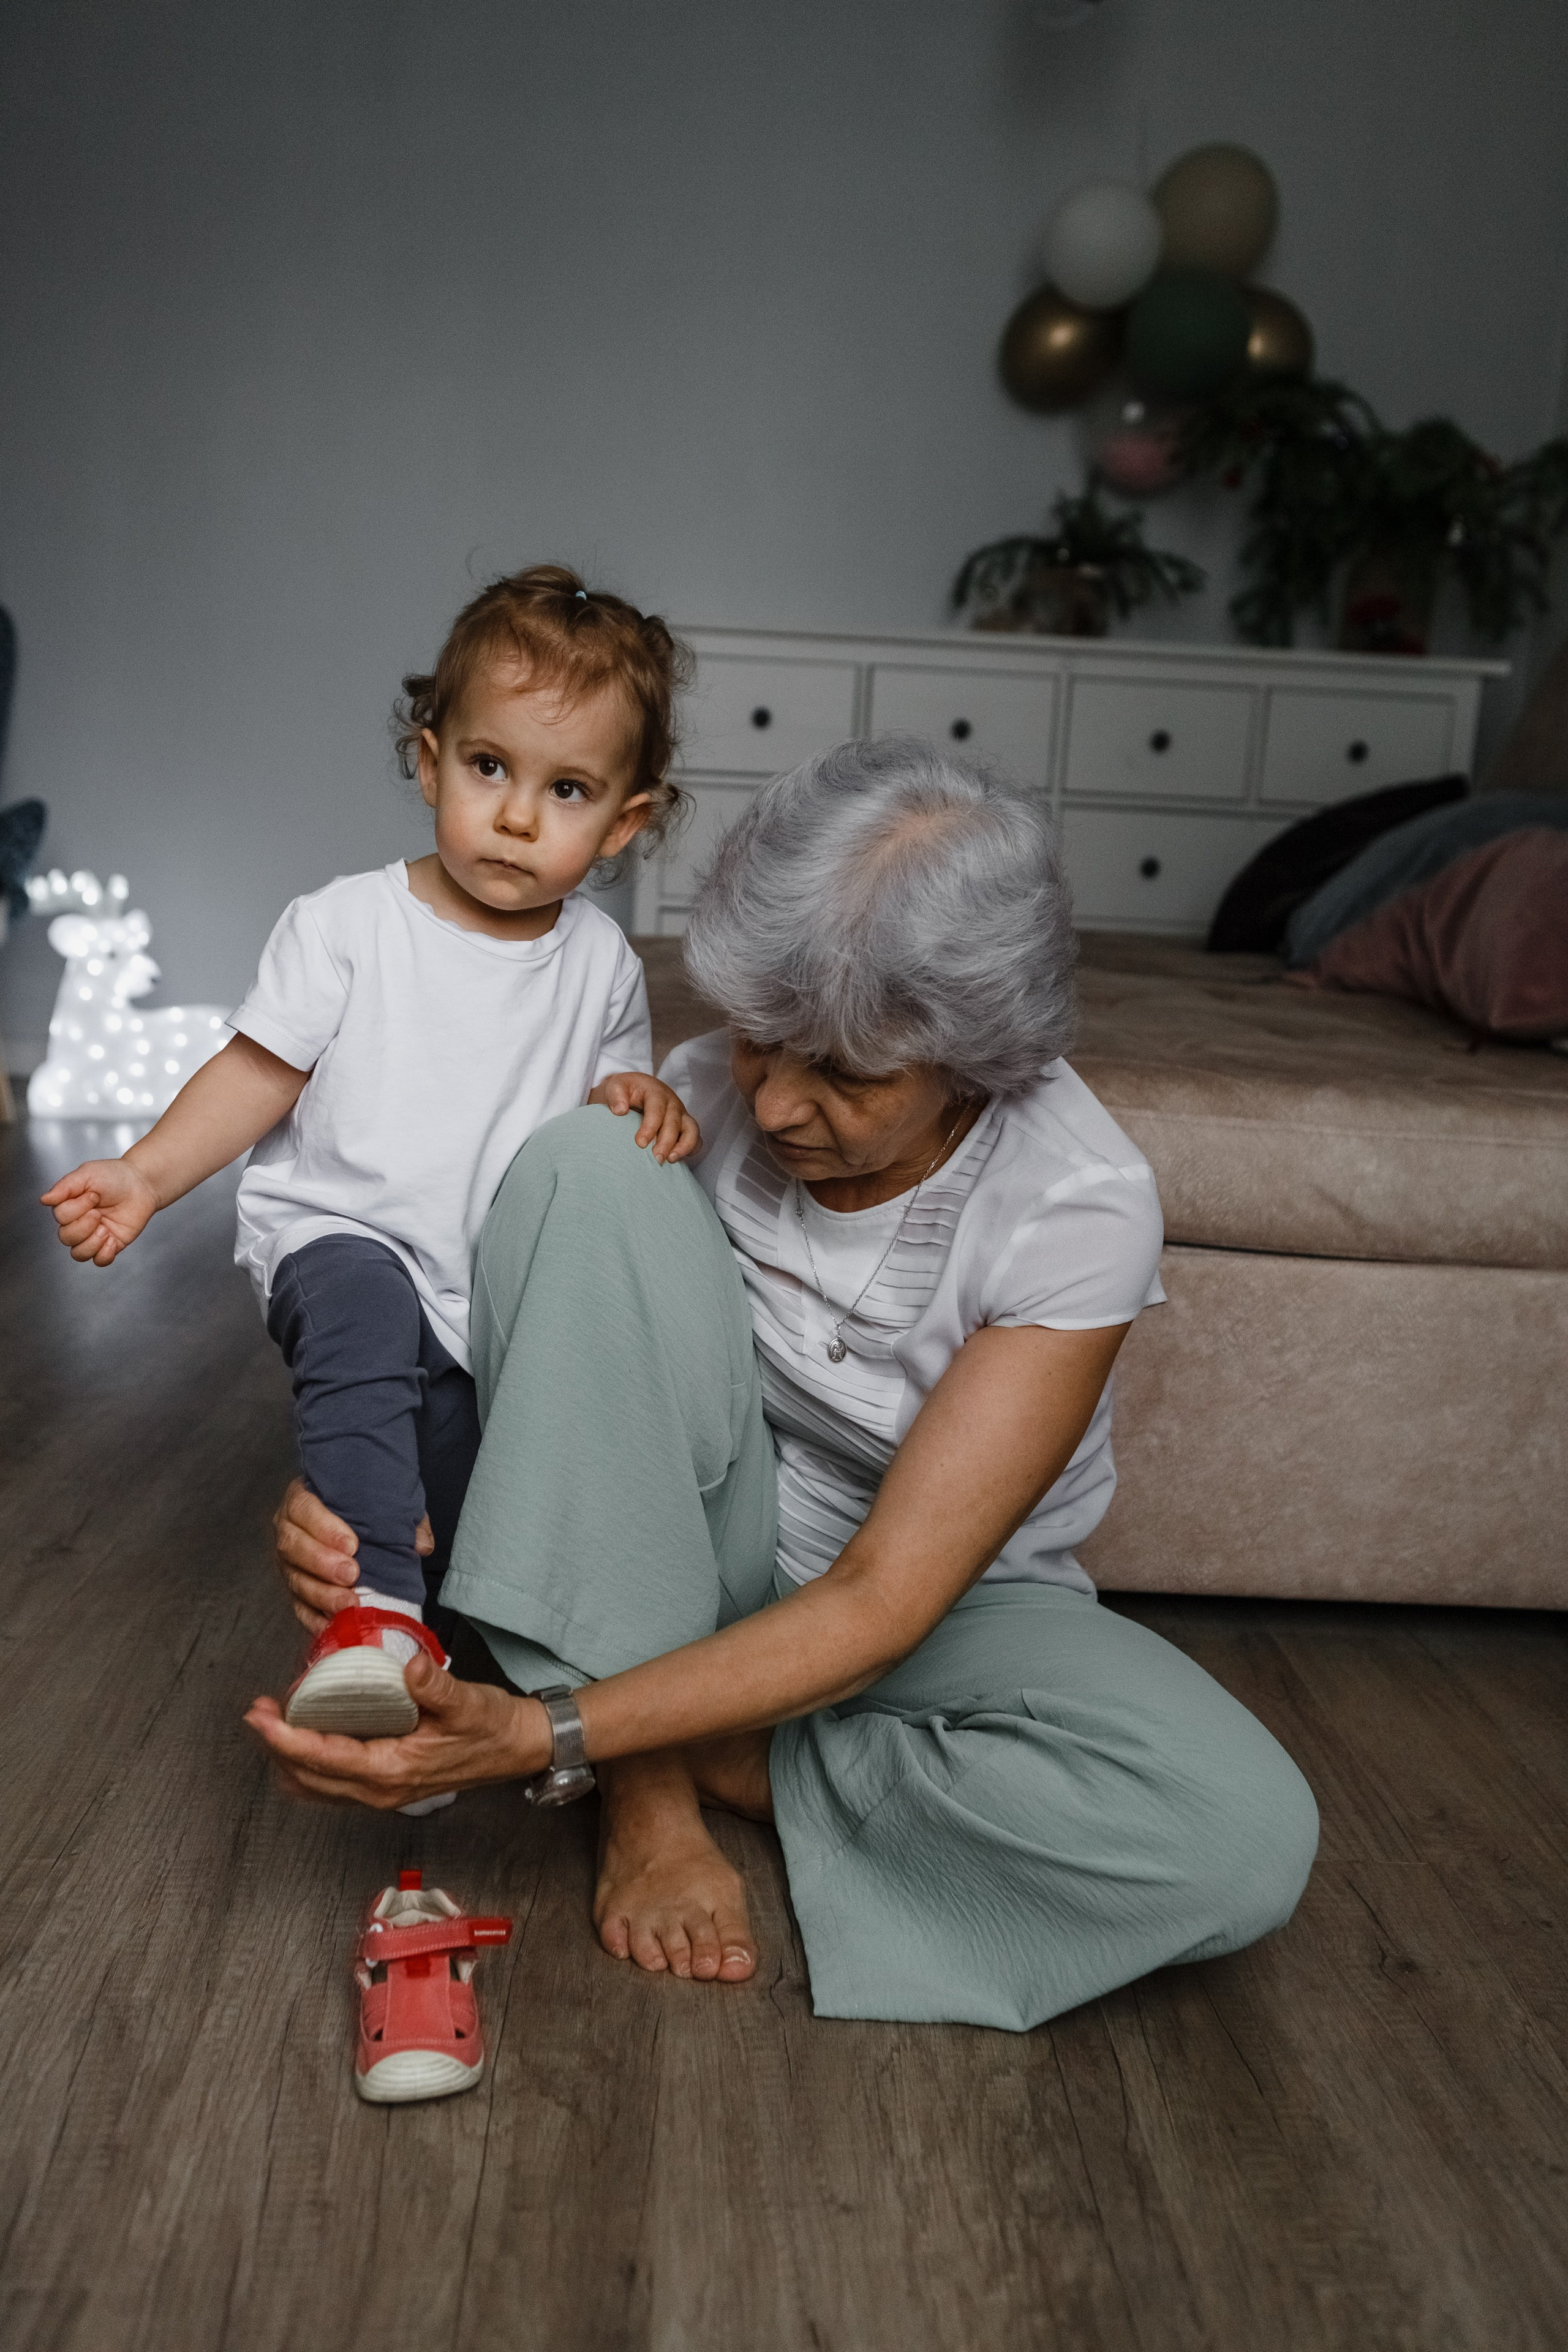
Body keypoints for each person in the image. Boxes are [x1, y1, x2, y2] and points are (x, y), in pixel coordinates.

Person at [250, 738, 1321, 2030]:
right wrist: (366, 1512)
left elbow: (884, 1598)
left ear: (974, 1056)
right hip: (692, 1551)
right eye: (764, 1041)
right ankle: (646, 1792)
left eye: (851, 1075)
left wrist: (546, 1738)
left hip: (942, 1601)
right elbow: (504, 1344)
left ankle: (709, 1748)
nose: (781, 1104)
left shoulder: (1078, 1203)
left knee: (1240, 1839)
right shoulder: (687, 1103)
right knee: (583, 1165)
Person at [41, 565, 700, 1751]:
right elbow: (257, 1071)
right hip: (336, 1229)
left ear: (624, 823)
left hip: (481, 1282)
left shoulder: (599, 961)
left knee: (453, 1485)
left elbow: (601, 1104)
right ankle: (376, 1616)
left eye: (566, 790)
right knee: (358, 1348)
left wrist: (638, 1096)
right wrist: (145, 1174)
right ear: (427, 759)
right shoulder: (346, 924)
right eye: (488, 768)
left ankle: (420, 1697)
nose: (513, 815)